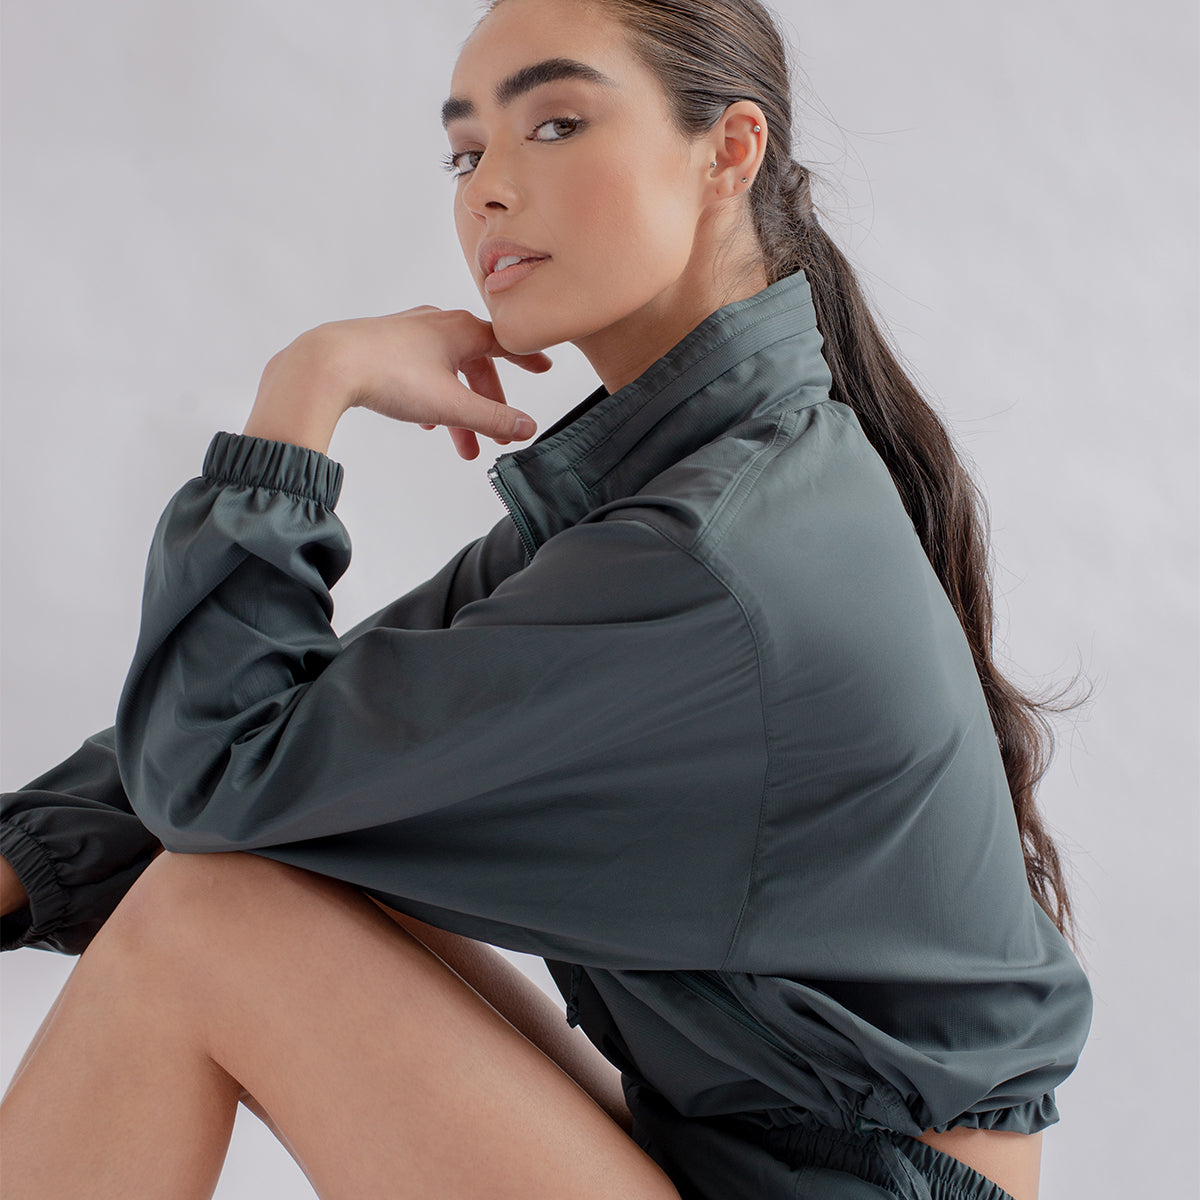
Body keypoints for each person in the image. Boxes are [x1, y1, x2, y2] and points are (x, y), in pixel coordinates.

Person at [0, 0, 1093, 1197]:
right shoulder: (686, 487)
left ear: (729, 152)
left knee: (209, 915)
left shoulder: (707, 554)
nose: (488, 190)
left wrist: (304, 392)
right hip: (755, 1163)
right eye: (466, 152)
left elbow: (219, 771)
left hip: (843, 1185)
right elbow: (299, 729)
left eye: (556, 124)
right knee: (257, 870)